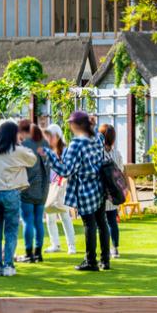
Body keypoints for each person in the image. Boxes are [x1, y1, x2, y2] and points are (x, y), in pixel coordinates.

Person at [46, 111, 111, 272]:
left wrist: (49, 155)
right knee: (102, 223)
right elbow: (100, 136)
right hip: (100, 185)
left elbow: (66, 170)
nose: (69, 125)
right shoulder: (96, 137)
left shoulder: (77, 143)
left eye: (71, 123)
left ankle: (91, 261)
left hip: (85, 188)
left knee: (90, 224)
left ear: (77, 125)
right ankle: (105, 260)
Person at [0, 120, 38, 278]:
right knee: (10, 231)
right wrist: (21, 144)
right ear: (13, 134)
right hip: (11, 193)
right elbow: (32, 160)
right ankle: (8, 265)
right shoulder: (16, 150)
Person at [17, 120, 50, 265]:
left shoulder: (24, 146)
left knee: (27, 221)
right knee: (38, 222)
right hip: (43, 189)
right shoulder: (46, 144)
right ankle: (38, 253)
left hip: (28, 188)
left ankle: (28, 253)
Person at [99, 124, 127, 260]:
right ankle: (115, 248)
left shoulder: (99, 153)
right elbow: (121, 170)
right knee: (112, 221)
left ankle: (103, 248)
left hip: (101, 192)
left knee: (100, 222)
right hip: (114, 192)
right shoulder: (117, 154)